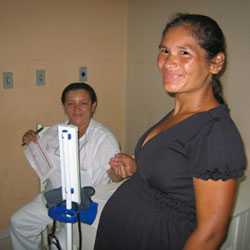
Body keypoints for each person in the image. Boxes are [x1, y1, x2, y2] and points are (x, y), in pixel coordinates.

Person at [94, 13, 246, 250]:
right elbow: (176, 177)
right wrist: (138, 168)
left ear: (215, 63)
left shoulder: (216, 134)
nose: (168, 61)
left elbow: (210, 235)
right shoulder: (178, 114)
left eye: (184, 53)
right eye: (165, 51)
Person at [10, 82, 121, 250]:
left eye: (83, 103)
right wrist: (29, 137)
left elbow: (115, 178)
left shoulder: (104, 139)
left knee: (60, 245)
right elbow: (35, 143)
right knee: (18, 222)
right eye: (71, 104)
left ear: (93, 106)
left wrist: (118, 172)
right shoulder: (55, 132)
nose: (77, 109)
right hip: (55, 196)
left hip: (85, 205)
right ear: (64, 107)